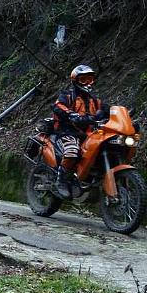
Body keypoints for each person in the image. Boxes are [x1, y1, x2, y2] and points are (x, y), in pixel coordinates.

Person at [51, 65, 109, 197]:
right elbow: (57, 105)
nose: (88, 83)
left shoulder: (95, 100)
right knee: (72, 152)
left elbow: (108, 109)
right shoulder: (67, 95)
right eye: (83, 80)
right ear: (75, 81)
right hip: (68, 132)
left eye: (90, 79)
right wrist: (71, 114)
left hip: (89, 134)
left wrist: (124, 115)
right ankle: (61, 180)